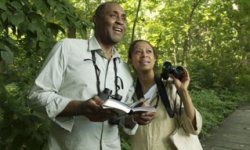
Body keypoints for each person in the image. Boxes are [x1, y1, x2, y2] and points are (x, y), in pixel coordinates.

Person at [28, 2, 150, 150]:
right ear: (96, 19)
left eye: (123, 18)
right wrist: (80, 108)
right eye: (113, 15)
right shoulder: (67, 48)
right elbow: (36, 96)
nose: (120, 21)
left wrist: (135, 116)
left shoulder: (124, 70)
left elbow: (124, 119)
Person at [128, 40, 202, 150]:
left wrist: (183, 91)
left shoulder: (170, 87)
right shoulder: (129, 92)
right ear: (130, 60)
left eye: (149, 52)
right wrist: (134, 117)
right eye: (138, 52)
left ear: (154, 59)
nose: (144, 55)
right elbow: (126, 126)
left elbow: (193, 128)